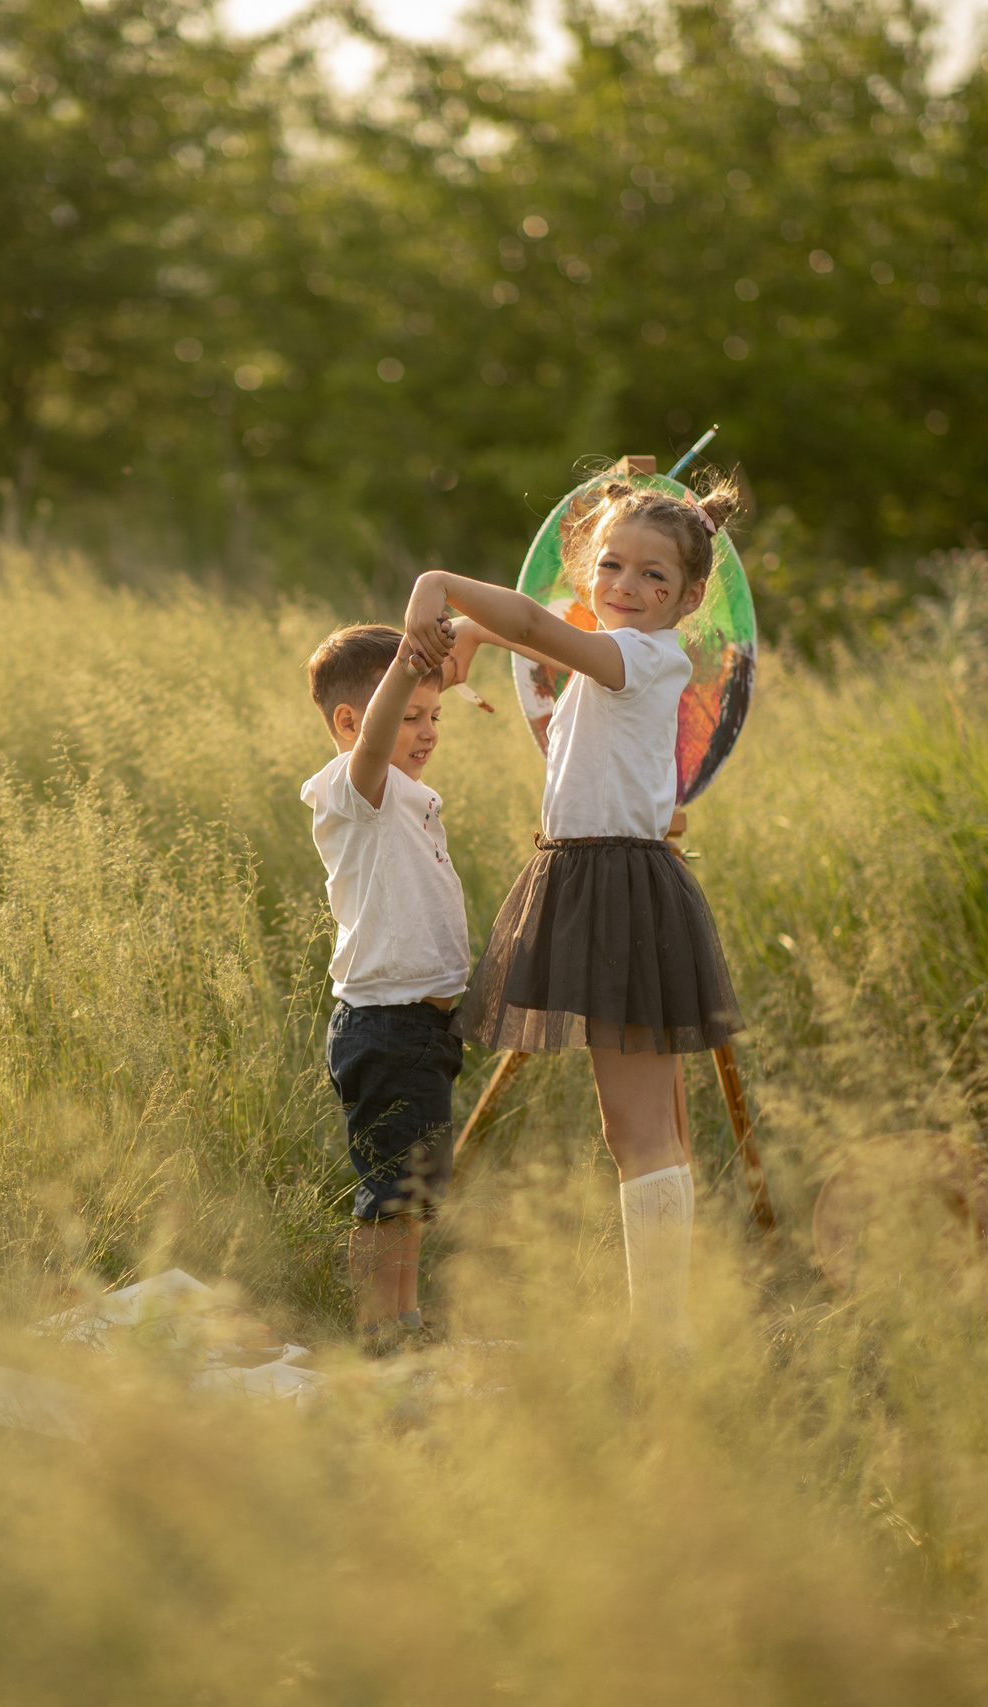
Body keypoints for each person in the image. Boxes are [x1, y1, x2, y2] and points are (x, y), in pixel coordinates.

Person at [402, 477, 746, 1356]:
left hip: (616, 886)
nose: (625, 586)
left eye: (653, 578)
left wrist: (437, 587)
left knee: (638, 1129)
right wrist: (474, 631)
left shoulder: (645, 658)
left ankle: (661, 1336)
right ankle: (665, 1329)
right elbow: (551, 629)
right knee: (641, 1125)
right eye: (611, 564)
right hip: (598, 876)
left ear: (691, 599)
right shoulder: (624, 649)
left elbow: (539, 623)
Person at [301, 623, 470, 1355]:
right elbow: (379, 730)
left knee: (414, 1197)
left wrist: (475, 631)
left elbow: (451, 665)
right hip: (383, 1025)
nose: (427, 730)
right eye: (410, 716)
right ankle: (378, 1335)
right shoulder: (356, 784)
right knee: (386, 1197)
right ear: (352, 722)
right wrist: (415, 637)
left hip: (424, 1030)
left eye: (435, 715)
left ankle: (404, 1322)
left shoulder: (405, 792)